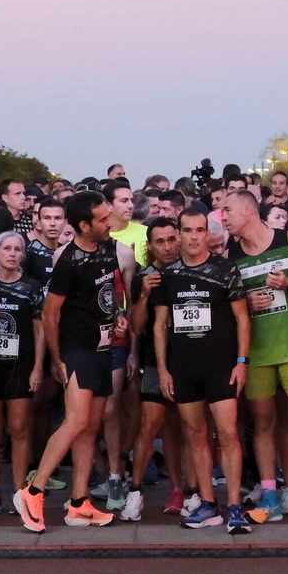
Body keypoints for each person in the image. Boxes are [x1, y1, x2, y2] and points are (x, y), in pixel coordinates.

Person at [220, 189, 288, 523]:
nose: (222, 217)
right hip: (257, 352)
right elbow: (228, 303)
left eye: (227, 210)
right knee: (263, 423)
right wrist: (246, 304)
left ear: (248, 211)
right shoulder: (231, 253)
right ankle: (270, 497)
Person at [15, 191, 122, 532]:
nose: (110, 222)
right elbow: (49, 314)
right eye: (103, 219)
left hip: (104, 347)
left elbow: (108, 295)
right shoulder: (68, 261)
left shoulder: (108, 250)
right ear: (83, 225)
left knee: (91, 427)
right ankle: (33, 491)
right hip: (78, 350)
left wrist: (118, 314)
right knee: (75, 422)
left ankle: (79, 503)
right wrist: (58, 360)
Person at [154, 209, 252, 532]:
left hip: (220, 366)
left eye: (200, 230)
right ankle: (208, 503)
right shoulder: (169, 275)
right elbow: (160, 325)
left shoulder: (225, 269)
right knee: (194, 435)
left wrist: (241, 362)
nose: (194, 237)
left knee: (227, 434)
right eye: (188, 230)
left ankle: (235, 506)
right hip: (183, 368)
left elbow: (242, 319)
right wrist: (163, 370)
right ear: (178, 234)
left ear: (208, 234)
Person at [0, 231, 44, 514]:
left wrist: (38, 367)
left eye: (17, 250)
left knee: (19, 429)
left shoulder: (32, 288)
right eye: (7, 249)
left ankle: (18, 492)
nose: (12, 254)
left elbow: (41, 332)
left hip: (20, 366)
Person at [123, 217, 186, 520]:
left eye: (171, 239)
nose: (167, 247)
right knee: (150, 425)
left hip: (189, 358)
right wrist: (145, 295)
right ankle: (134, 491)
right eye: (159, 242)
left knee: (180, 427)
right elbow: (136, 325)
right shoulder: (143, 276)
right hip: (153, 359)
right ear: (149, 246)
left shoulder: (194, 269)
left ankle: (180, 490)